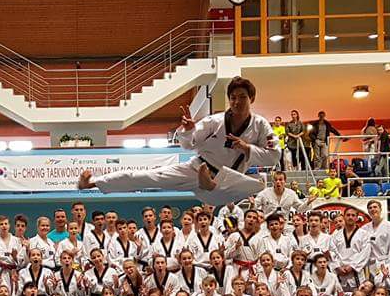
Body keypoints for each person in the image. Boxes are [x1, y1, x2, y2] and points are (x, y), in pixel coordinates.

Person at [78, 77, 279, 205]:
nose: (237, 102)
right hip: (198, 169)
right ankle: (93, 183)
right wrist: (188, 131)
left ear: (251, 98)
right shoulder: (214, 122)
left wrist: (247, 148)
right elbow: (188, 144)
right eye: (233, 97)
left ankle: (209, 185)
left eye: (242, 97)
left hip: (229, 182)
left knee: (258, 186)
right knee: (147, 176)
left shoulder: (261, 126)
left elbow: (273, 156)